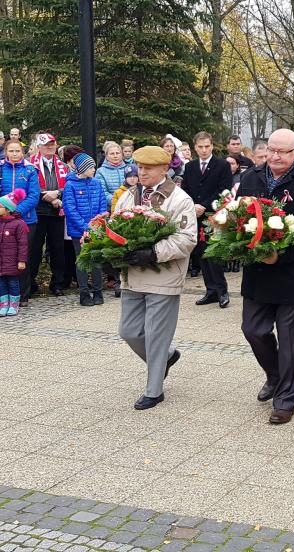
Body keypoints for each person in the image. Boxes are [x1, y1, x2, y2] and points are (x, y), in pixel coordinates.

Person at [239, 128, 294, 425]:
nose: (274, 156)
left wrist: (281, 254)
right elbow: (238, 218)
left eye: (282, 152)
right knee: (253, 329)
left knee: (290, 340)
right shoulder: (251, 178)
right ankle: (275, 375)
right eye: (271, 150)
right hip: (256, 272)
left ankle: (286, 399)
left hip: (290, 273)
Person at [117, 146, 197, 410]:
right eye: (139, 167)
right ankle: (168, 357)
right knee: (128, 331)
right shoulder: (128, 196)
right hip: (132, 274)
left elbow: (186, 240)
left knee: (155, 335)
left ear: (165, 169)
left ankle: (154, 390)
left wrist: (152, 252)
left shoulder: (179, 199)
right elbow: (114, 227)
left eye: (148, 168)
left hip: (164, 274)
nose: (142, 172)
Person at [182, 131, 233, 308]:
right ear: (195, 147)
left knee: (214, 253)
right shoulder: (190, 167)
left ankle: (222, 290)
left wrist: (204, 204)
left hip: (213, 214)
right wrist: (193, 206)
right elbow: (186, 189)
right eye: (200, 147)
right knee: (201, 253)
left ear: (212, 146)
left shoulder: (222, 166)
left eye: (207, 146)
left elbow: (224, 189)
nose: (204, 150)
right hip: (195, 214)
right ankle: (210, 290)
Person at [63, 154, 107, 306]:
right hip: (79, 231)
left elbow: (102, 204)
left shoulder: (96, 183)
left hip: (96, 229)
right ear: (82, 168)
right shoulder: (70, 185)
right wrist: (85, 227)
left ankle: (97, 291)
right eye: (91, 167)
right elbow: (70, 209)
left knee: (96, 259)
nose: (94, 170)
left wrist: (97, 223)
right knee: (82, 260)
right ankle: (84, 293)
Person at [28, 133, 68, 299]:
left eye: (52, 144)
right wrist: (46, 195)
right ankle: (30, 284)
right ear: (39, 147)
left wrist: (57, 194)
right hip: (36, 212)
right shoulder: (30, 164)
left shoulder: (63, 166)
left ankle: (57, 284)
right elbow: (28, 187)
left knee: (58, 250)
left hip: (56, 214)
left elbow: (69, 186)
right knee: (34, 251)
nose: (50, 147)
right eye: (46, 145)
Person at [0, 141, 39, 307]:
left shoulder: (30, 170)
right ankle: (4, 296)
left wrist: (17, 212)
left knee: (23, 256)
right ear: (6, 152)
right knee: (5, 256)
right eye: (11, 151)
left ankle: (23, 294)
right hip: (3, 221)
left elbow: (33, 195)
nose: (15, 154)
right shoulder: (1, 169)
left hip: (26, 220)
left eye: (18, 151)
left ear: (23, 152)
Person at [0, 189, 29, 317]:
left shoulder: (18, 224)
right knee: (1, 283)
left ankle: (14, 304)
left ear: (7, 209)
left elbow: (23, 244)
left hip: (12, 262)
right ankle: (4, 303)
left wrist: (21, 260)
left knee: (12, 283)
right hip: (1, 262)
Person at [96, 141, 127, 209]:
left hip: (129, 206)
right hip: (110, 209)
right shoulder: (100, 172)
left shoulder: (129, 169)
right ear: (106, 156)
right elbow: (103, 192)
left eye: (117, 153)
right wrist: (117, 201)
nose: (115, 156)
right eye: (112, 154)